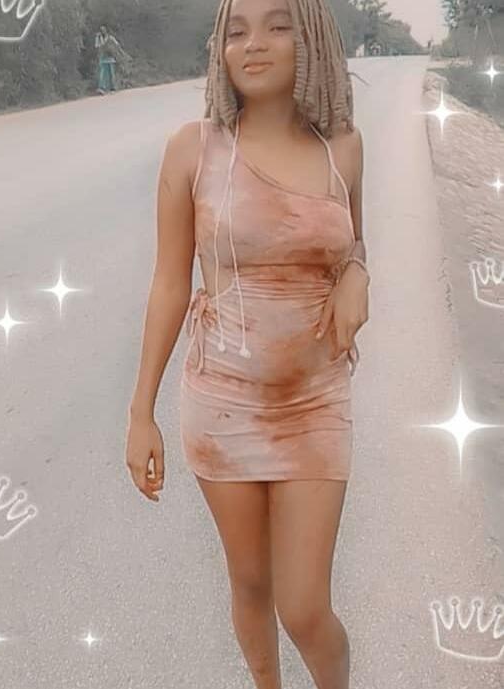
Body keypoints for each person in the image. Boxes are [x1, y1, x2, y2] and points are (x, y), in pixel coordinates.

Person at [126, 1, 370, 688]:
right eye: (236, 31)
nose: (252, 43)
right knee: (251, 580)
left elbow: (354, 242)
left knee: (305, 606)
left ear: (310, 37)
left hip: (316, 401)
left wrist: (358, 273)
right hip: (223, 403)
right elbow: (169, 283)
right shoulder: (193, 149)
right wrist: (141, 412)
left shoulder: (343, 147)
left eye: (276, 25)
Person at [94, 25, 128, 94]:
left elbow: (117, 44)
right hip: (103, 57)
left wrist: (121, 53)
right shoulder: (99, 38)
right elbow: (96, 46)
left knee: (111, 73)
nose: (102, 31)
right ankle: (102, 88)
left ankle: (113, 88)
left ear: (106, 30)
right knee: (102, 73)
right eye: (101, 30)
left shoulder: (110, 37)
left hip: (110, 57)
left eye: (104, 29)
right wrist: (98, 38)